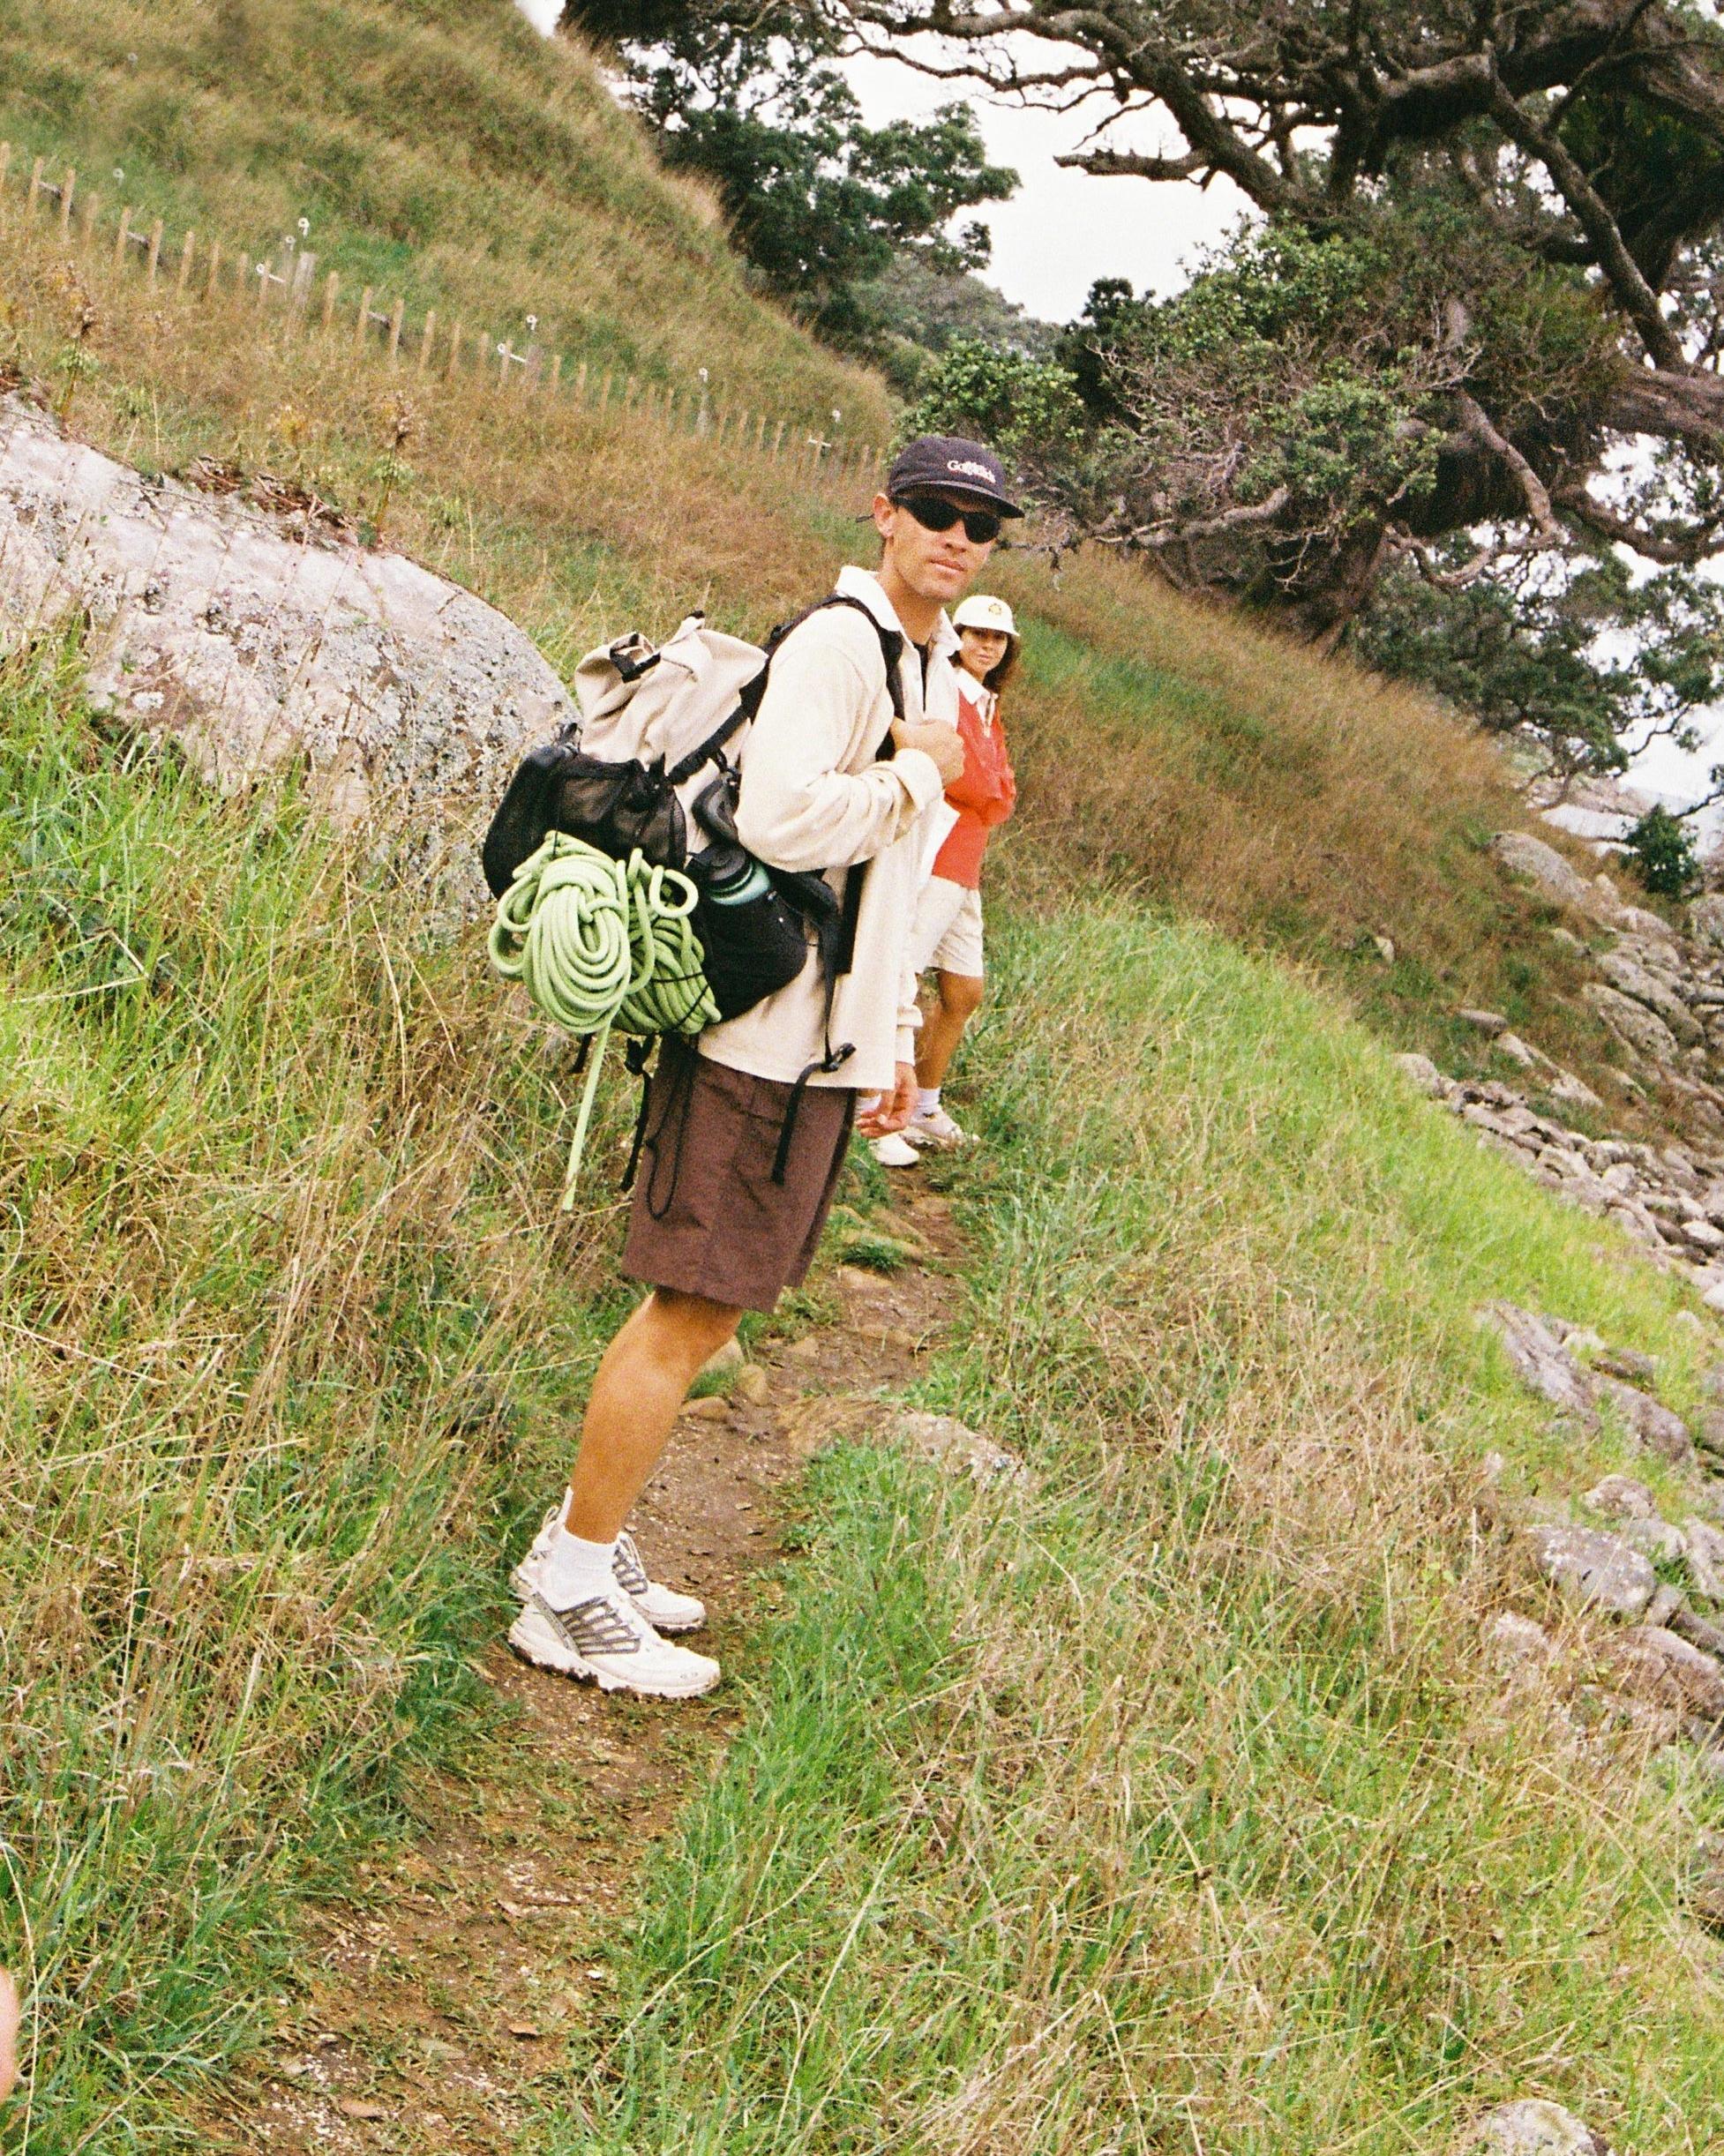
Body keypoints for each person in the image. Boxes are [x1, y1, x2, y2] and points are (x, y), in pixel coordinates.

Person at [506, 434, 1022, 1699]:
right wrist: (915, 773)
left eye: (982, 523)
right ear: (885, 515)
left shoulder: (923, 661)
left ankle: (592, 1538)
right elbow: (781, 819)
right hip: (760, 1037)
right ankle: (566, 1588)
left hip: (821, 1043)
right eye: (936, 512)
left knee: (710, 1306)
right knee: (689, 1309)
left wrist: (891, 1043)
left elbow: (889, 884)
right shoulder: (844, 649)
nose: (956, 537)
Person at [873, 592, 1018, 1166]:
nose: (986, 645)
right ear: (957, 635)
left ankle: (925, 1105)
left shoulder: (987, 701)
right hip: (940, 849)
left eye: (997, 637)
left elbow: (1000, 782)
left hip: (968, 859)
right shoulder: (946, 686)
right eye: (976, 633)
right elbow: (966, 774)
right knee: (901, 975)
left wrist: (991, 790)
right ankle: (882, 1110)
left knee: (964, 989)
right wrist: (988, 790)